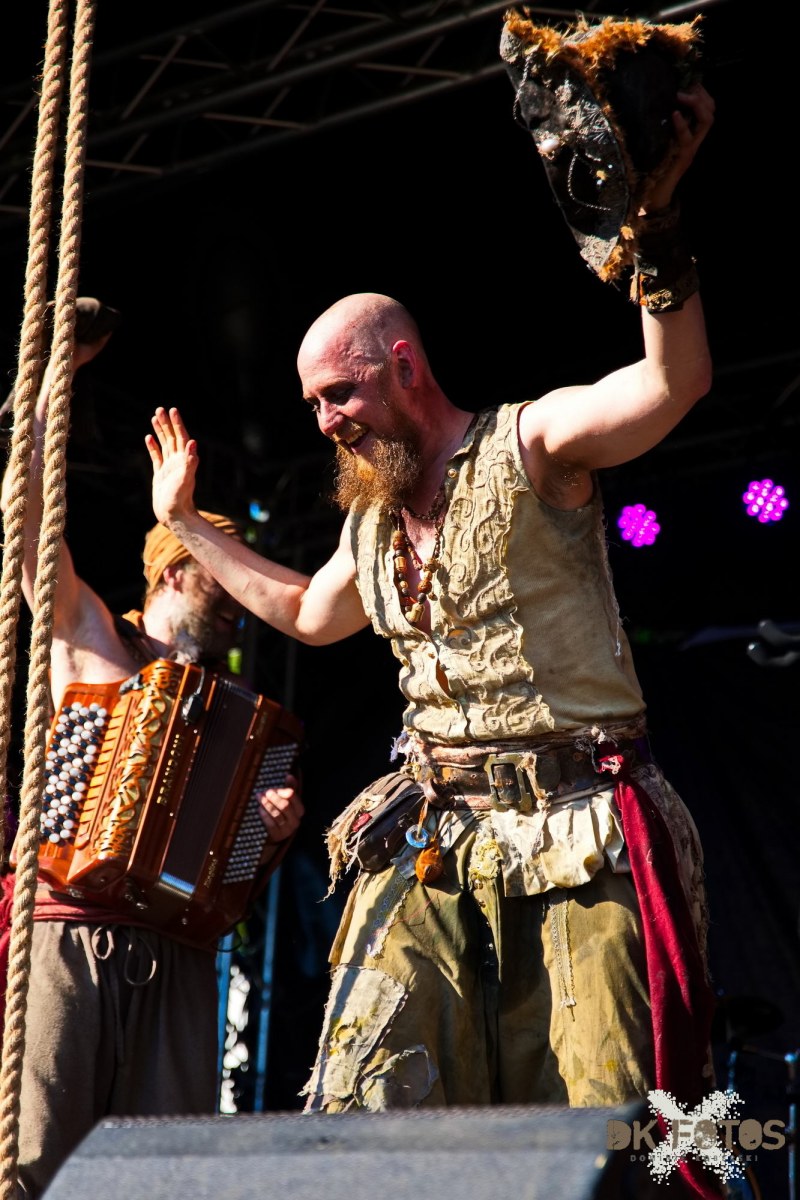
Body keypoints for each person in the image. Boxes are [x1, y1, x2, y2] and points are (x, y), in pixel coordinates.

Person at [146, 81, 716, 1129]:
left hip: (577, 830)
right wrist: (185, 525)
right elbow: (308, 614)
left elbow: (667, 385)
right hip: (436, 836)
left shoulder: (531, 443)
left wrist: (655, 233)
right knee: (367, 1097)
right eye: (313, 404)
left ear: (403, 367)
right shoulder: (368, 525)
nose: (325, 422)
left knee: (601, 1125)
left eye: (340, 395)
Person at [0, 306, 304, 1199]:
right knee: (36, 1163)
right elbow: (28, 521)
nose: (239, 596)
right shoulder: (92, 634)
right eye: (220, 571)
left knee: (166, 1178)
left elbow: (231, 876)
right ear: (175, 569)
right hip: (69, 932)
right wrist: (47, 384)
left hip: (178, 959)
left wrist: (270, 831)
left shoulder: (242, 719)